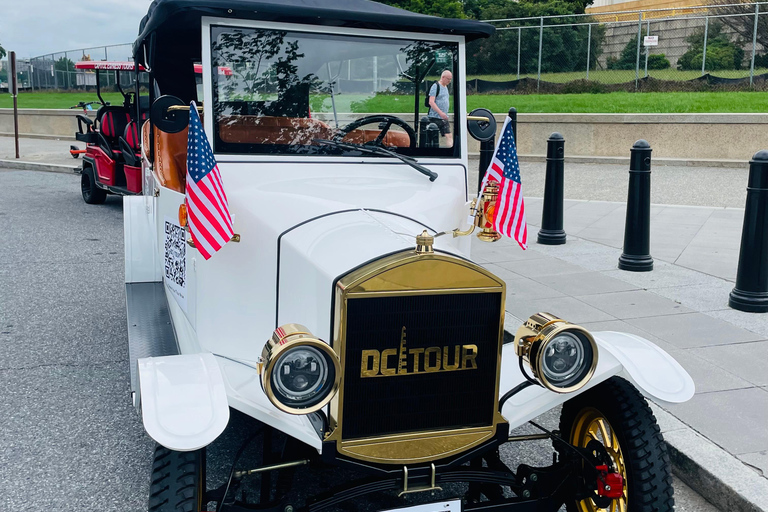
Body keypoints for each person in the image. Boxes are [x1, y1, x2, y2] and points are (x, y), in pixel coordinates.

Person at [427, 70, 453, 147]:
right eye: (448, 79)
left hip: (443, 117)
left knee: (449, 136)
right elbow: (431, 102)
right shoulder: (435, 86)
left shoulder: (445, 87)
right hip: (435, 116)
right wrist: (441, 113)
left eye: (450, 79)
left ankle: (450, 151)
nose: (449, 81)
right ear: (443, 77)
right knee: (447, 135)